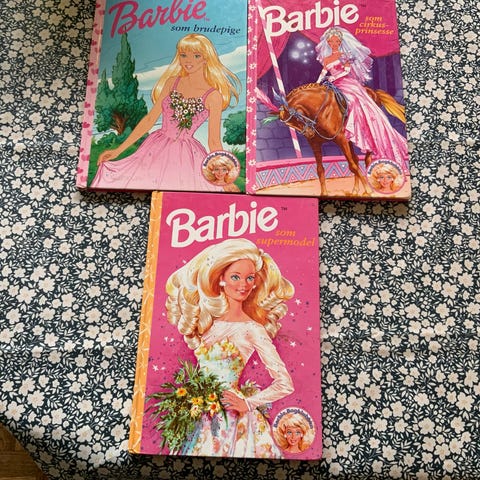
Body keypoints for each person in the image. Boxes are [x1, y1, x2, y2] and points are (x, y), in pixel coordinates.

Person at [165, 238, 295, 458]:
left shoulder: (253, 329)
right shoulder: (205, 322)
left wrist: (249, 403)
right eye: (236, 276)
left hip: (233, 418)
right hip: (200, 414)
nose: (243, 284)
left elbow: (285, 383)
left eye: (249, 278)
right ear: (221, 278)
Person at [90, 33, 240, 191]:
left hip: (187, 156)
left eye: (196, 56)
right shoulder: (172, 82)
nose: (188, 61)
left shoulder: (213, 96)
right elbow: (149, 120)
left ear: (206, 59)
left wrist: (226, 180)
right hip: (155, 147)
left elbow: (214, 141)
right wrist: (118, 150)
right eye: (183, 55)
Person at [315, 27, 408, 169]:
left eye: (336, 41)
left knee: (352, 100)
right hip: (334, 84)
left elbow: (346, 71)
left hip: (347, 83)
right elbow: (323, 73)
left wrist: (334, 77)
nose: (334, 44)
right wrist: (316, 84)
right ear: (328, 43)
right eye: (331, 42)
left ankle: (353, 124)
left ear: (340, 42)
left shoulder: (345, 55)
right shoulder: (327, 58)